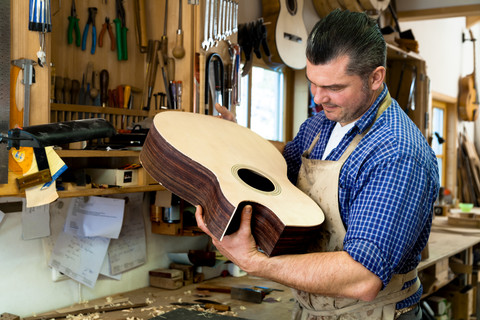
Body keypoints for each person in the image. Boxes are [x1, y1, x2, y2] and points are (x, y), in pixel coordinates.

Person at [195, 9, 439, 320]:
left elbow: (362, 277)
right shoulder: (319, 127)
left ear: (375, 77)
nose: (318, 98)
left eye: (334, 88)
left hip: (375, 313)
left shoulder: (397, 152)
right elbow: (277, 172)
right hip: (313, 309)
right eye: (313, 82)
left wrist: (256, 262)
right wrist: (236, 139)